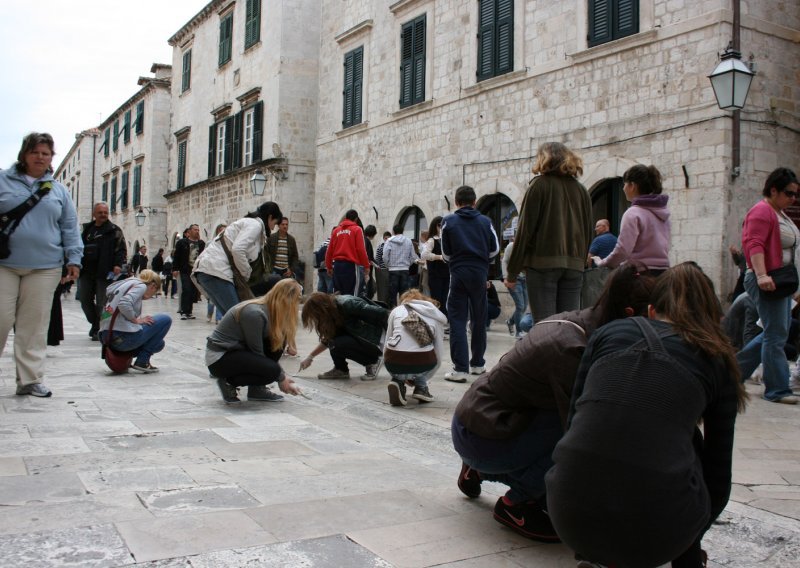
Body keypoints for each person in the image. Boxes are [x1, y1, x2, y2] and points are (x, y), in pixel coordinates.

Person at [546, 262, 747, 568]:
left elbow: (574, 419)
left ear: (651, 311)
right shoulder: (717, 360)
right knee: (684, 438)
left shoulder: (608, 333)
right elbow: (718, 478)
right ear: (713, 318)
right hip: (659, 537)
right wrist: (688, 541)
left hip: (567, 516)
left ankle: (604, 551)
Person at [451, 264, 655, 542]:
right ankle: (516, 503)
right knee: (579, 432)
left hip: (478, 422)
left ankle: (479, 468)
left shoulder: (581, 321)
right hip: (481, 433)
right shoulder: (573, 349)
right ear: (631, 315)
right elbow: (583, 436)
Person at [0, 132, 83, 397]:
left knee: (34, 325)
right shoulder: (3, 181)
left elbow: (69, 226)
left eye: (45, 153)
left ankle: (29, 380)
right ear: (24, 154)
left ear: (50, 159)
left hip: (45, 266)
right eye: (35, 152)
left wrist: (74, 258)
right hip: (5, 264)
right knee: (1, 319)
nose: (40, 157)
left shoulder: (58, 190)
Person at [505, 142, 592, 321]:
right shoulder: (581, 190)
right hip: (574, 266)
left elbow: (524, 232)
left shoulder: (539, 186)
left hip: (543, 264)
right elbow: (587, 231)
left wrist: (512, 272)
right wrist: (581, 261)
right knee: (567, 325)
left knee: (546, 327)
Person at [736, 167, 800, 404]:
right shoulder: (762, 211)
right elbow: (754, 244)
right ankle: (777, 389)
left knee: (773, 333)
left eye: (795, 195)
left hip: (780, 282)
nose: (793, 198)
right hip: (768, 280)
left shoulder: (779, 213)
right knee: (776, 335)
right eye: (788, 193)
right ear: (773, 190)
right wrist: (762, 275)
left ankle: (730, 375)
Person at [206, 279, 303, 404]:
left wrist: (282, 376)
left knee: (278, 341)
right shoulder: (254, 313)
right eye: (297, 300)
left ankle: (257, 390)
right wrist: (281, 378)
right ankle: (228, 381)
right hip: (221, 357)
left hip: (239, 351)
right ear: (287, 299)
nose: (297, 305)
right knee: (271, 370)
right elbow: (256, 352)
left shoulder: (272, 313)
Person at [441, 185, 500, 383]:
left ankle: (460, 369)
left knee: (457, 319)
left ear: (456, 202)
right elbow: (495, 249)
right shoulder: (486, 221)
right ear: (475, 202)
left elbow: (445, 253)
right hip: (480, 273)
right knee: (478, 317)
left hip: (458, 272)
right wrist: (482, 262)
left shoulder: (448, 221)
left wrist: (456, 261)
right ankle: (477, 364)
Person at [193, 203, 282, 317]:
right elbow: (238, 249)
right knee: (239, 318)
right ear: (270, 217)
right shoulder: (255, 225)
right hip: (216, 271)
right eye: (274, 223)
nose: (273, 228)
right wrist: (246, 274)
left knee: (230, 318)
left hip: (209, 270)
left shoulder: (249, 223)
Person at [593, 165, 671, 275]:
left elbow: (623, 250)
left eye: (625, 184)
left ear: (632, 186)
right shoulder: (663, 213)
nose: (623, 188)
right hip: (663, 274)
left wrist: (603, 262)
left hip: (640, 274)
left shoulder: (633, 213)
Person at [300, 292, 389, 381]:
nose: (316, 319)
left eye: (315, 315)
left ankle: (373, 362)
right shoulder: (333, 312)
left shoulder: (347, 304)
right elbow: (327, 339)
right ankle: (341, 369)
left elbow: (383, 313)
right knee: (332, 341)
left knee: (336, 343)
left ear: (321, 309)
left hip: (375, 340)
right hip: (363, 339)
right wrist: (310, 357)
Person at [98, 269, 172, 373]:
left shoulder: (123, 285)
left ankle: (141, 358)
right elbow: (124, 303)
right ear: (153, 286)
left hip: (106, 337)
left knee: (159, 343)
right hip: (121, 337)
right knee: (165, 319)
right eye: (154, 292)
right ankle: (142, 361)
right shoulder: (141, 286)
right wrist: (136, 320)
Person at [384, 289, 447, 406]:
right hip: (422, 363)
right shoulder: (433, 314)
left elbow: (387, 340)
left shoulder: (396, 311)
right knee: (424, 354)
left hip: (394, 361)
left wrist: (388, 365)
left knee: (397, 352)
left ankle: (397, 381)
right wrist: (425, 376)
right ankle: (421, 387)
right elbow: (438, 350)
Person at [78, 202, 127, 341]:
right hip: (86, 270)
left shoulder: (114, 230)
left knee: (102, 303)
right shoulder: (87, 230)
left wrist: (118, 264)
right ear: (94, 214)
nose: (103, 215)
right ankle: (95, 323)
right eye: (100, 212)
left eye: (105, 212)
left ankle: (99, 328)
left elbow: (121, 249)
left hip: (105, 271)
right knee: (84, 300)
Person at [325, 209, 370, 296]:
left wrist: (329, 266)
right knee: (352, 295)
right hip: (351, 266)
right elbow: (361, 249)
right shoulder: (357, 229)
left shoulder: (336, 231)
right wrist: (366, 266)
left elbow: (329, 250)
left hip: (337, 266)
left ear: (345, 218)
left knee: (338, 295)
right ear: (356, 219)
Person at [173, 225, 205, 320]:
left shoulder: (201, 243)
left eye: (198, 230)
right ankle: (184, 311)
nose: (197, 231)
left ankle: (189, 312)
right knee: (186, 289)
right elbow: (176, 256)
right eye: (195, 230)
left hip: (195, 270)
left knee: (192, 291)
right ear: (189, 231)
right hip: (185, 270)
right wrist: (175, 268)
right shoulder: (182, 243)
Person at [383, 224, 418, 307]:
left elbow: (384, 256)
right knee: (404, 295)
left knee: (392, 295)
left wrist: (388, 265)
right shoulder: (409, 241)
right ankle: (403, 313)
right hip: (405, 270)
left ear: (393, 231)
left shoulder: (389, 241)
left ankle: (392, 313)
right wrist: (407, 264)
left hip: (392, 270)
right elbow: (413, 256)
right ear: (403, 231)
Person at [422, 216, 449, 318]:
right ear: (436, 226)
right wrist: (439, 257)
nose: (443, 227)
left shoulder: (445, 239)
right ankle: (437, 320)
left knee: (445, 298)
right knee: (436, 298)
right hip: (436, 274)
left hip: (446, 274)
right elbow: (424, 255)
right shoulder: (432, 240)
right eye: (441, 225)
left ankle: (443, 320)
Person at [501, 234, 528, 337]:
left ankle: (510, 322)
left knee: (524, 306)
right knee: (520, 306)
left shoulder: (529, 248)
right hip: (513, 280)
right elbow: (504, 261)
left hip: (525, 280)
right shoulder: (511, 246)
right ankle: (519, 331)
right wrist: (505, 277)